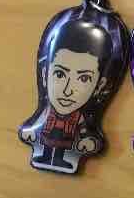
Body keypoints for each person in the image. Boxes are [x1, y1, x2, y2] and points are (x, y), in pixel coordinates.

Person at [19, 18, 113, 173]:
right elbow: (38, 123)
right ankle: (45, 157)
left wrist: (88, 140)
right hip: (47, 137)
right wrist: (31, 132)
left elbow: (84, 130)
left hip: (68, 142)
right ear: (45, 75)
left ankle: (61, 159)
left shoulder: (79, 118)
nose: (68, 90)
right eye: (60, 74)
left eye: (83, 78)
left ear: (99, 85)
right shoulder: (46, 113)